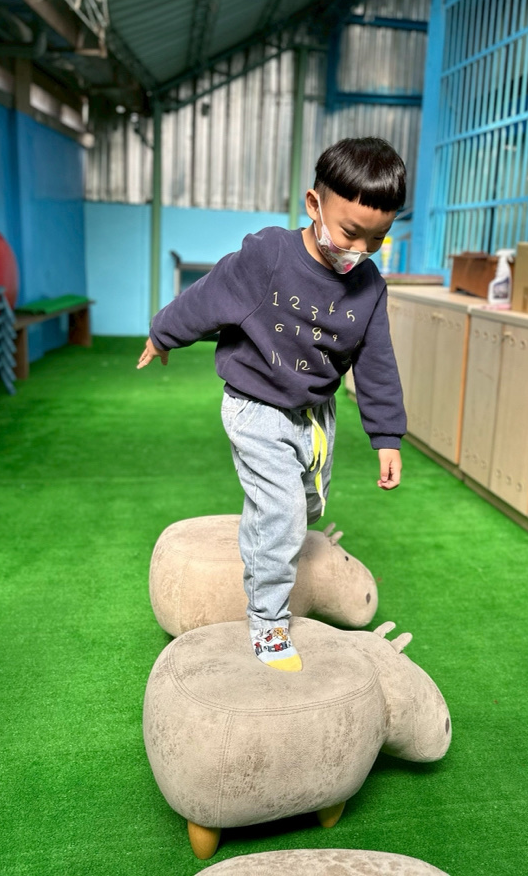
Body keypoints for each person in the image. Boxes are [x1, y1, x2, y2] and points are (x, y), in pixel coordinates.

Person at [138, 136, 407, 672]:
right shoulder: (268, 256)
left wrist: (387, 437)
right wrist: (163, 333)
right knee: (282, 514)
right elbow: (209, 295)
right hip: (256, 406)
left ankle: (267, 528)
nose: (360, 249)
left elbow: (377, 360)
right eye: (351, 232)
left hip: (315, 415)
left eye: (377, 239)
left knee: (305, 507)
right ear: (314, 205)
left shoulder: (369, 286)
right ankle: (267, 623)